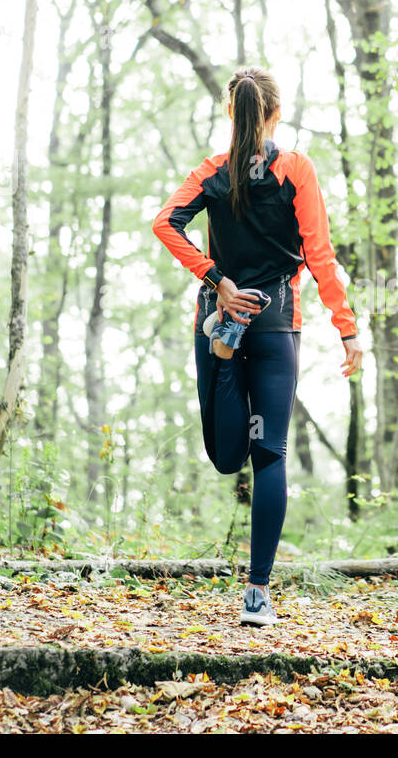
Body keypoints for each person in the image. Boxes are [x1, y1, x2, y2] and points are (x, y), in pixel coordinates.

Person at [152, 66, 363, 626]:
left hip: (218, 311)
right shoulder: (294, 168)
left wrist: (215, 279)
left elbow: (166, 223)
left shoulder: (212, 172)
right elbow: (320, 255)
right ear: (275, 113)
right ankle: (258, 595)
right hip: (274, 321)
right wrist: (347, 326)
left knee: (226, 457)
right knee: (267, 455)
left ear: (231, 112)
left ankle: (222, 352)